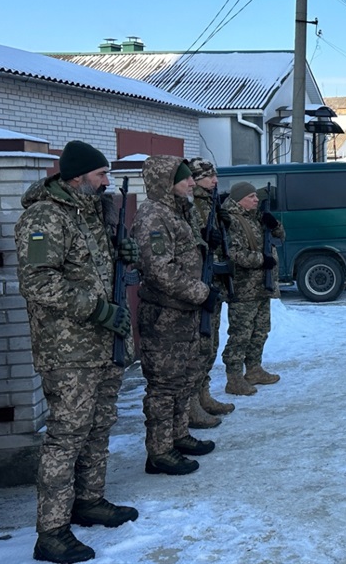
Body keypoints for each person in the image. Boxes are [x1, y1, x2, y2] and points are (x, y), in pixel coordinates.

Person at [15, 140, 139, 563]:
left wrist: (124, 254)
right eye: (101, 175)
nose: (106, 182)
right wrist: (98, 309)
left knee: (98, 427)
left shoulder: (94, 213)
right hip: (68, 350)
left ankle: (89, 500)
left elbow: (99, 272)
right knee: (66, 436)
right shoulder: (44, 217)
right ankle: (51, 531)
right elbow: (37, 282)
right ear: (77, 177)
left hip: (103, 343)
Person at [132, 155, 216, 477]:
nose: (192, 182)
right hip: (164, 315)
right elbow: (159, 270)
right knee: (164, 386)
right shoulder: (153, 216)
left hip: (185, 313)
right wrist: (201, 293)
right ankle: (159, 451)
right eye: (185, 179)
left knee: (184, 379)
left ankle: (178, 436)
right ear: (166, 183)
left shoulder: (179, 212)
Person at [220, 181, 285, 395]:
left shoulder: (255, 217)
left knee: (260, 331)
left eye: (256, 196)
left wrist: (274, 225)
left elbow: (281, 237)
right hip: (243, 289)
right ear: (240, 200)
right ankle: (234, 378)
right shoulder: (231, 220)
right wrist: (261, 260)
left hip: (261, 286)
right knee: (241, 334)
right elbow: (233, 253)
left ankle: (254, 369)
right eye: (251, 197)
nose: (256, 199)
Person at [187, 158, 235, 427]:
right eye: (209, 176)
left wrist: (223, 223)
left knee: (211, 344)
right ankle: (192, 403)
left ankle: (203, 394)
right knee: (201, 344)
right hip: (199, 282)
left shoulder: (211, 202)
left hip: (214, 280)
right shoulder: (191, 203)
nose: (215, 180)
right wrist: (204, 236)